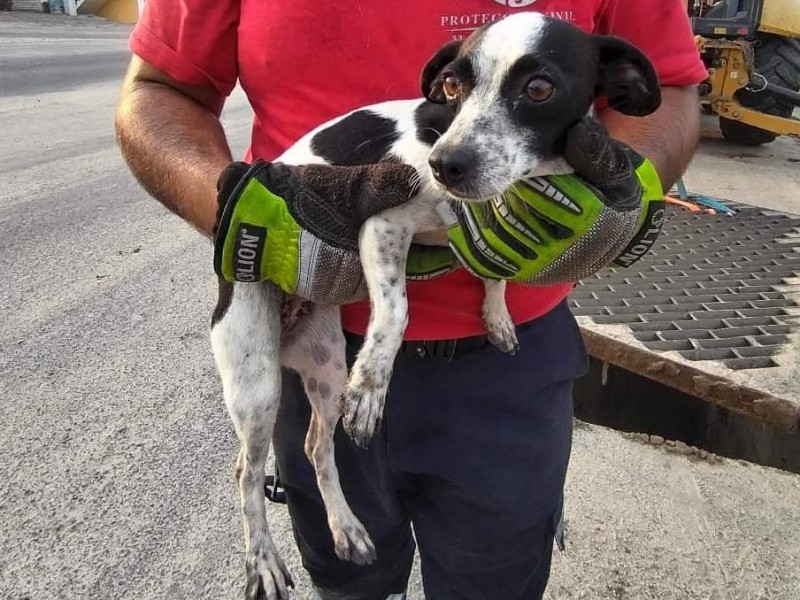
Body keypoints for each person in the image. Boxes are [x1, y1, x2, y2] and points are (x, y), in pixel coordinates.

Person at [115, 2, 705, 599]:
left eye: (539, 86)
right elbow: (161, 88)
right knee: (351, 583)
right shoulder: (434, 141)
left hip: (511, 372)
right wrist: (239, 214)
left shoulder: (562, 86)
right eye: (454, 85)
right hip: (308, 321)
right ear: (446, 84)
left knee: (497, 584)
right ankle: (256, 541)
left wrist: (626, 198)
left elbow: (674, 87)